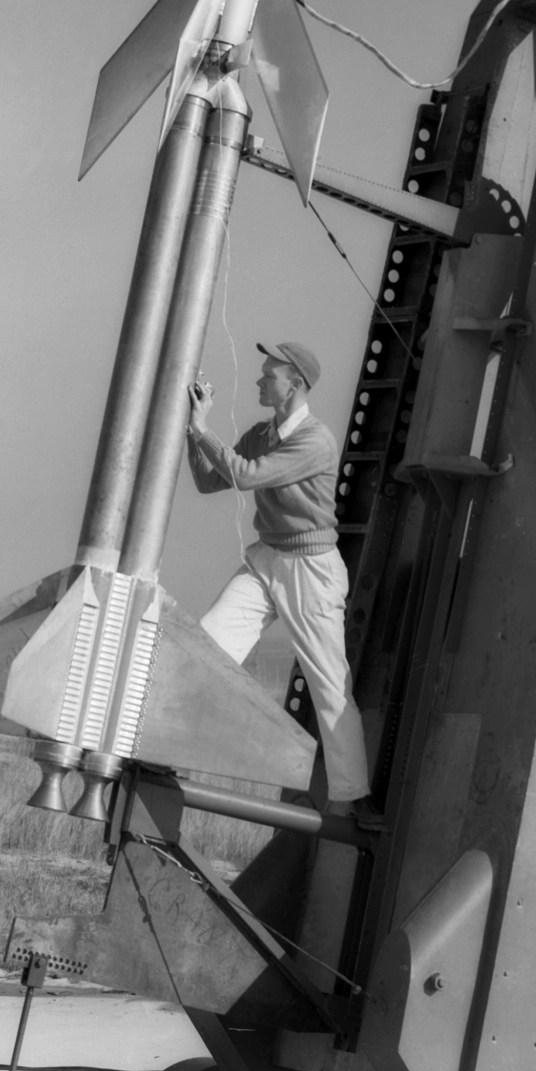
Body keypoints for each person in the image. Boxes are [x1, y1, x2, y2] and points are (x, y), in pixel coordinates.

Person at [186, 340, 379, 826]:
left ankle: (351, 800)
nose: (258, 381)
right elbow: (211, 482)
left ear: (294, 384)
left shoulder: (315, 440)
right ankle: (166, 753)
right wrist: (194, 433)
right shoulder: (261, 433)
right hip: (267, 559)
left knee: (331, 688)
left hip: (311, 570)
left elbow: (248, 476)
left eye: (267, 375)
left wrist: (202, 429)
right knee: (205, 649)